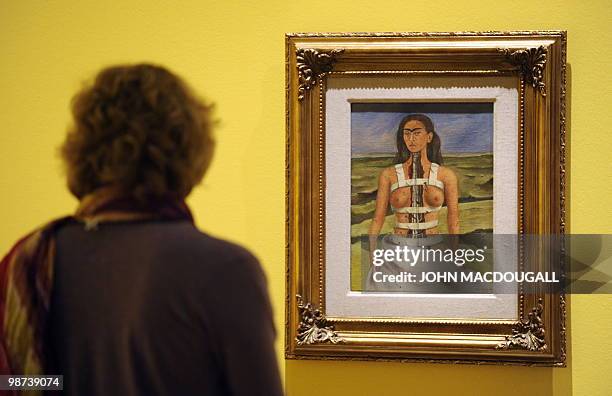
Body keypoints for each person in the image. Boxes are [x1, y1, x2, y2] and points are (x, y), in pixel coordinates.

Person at [0, 64, 283, 395]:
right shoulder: (226, 269)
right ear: (191, 150)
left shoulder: (30, 260)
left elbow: (14, 383)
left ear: (82, 150)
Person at [365, 114, 459, 292]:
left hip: (434, 250)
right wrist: (373, 258)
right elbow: (377, 219)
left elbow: (453, 221)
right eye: (406, 133)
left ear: (429, 137)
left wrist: (453, 257)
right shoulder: (389, 174)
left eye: (416, 133)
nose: (411, 139)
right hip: (396, 252)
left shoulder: (446, 175)